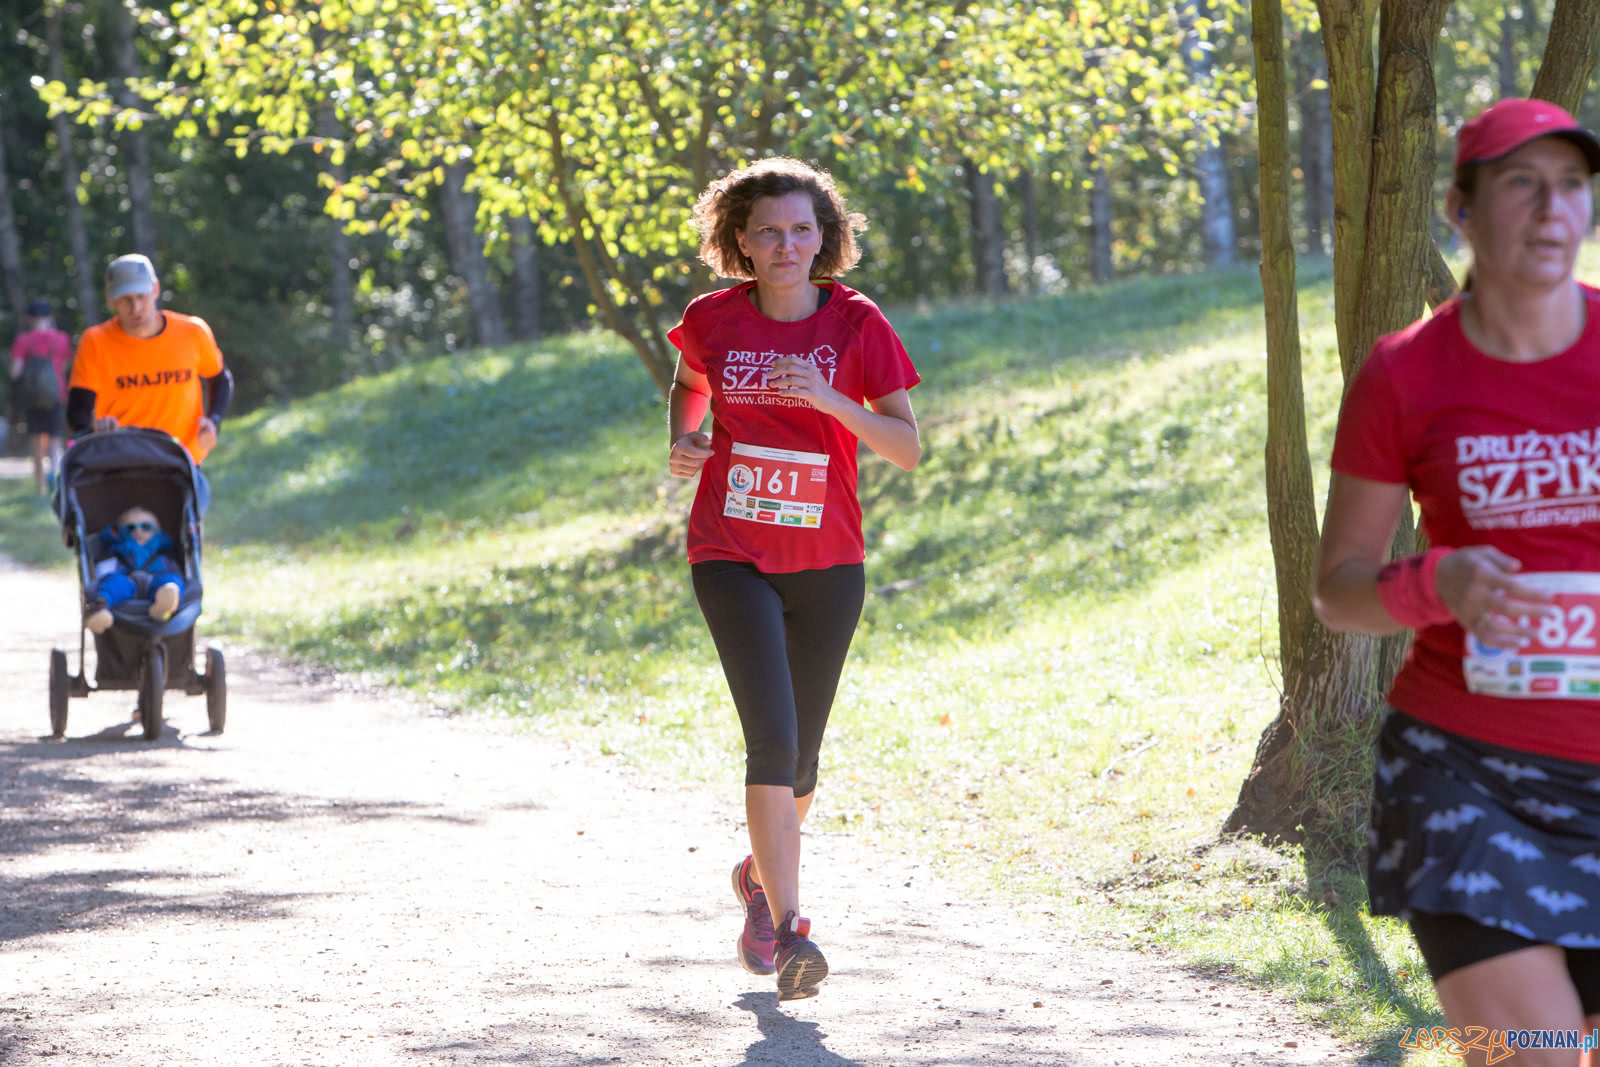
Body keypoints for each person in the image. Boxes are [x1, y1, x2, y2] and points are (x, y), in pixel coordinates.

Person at [1316, 98, 1600, 1067]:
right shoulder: (1403, 374)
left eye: (1570, 185)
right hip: (1463, 777)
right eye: (1520, 183)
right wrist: (1435, 581)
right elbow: (1337, 587)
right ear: (1460, 209)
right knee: (1538, 1051)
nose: (1550, 210)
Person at [666, 157, 921, 1003]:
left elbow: (905, 444)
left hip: (829, 563)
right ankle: (791, 931)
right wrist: (687, 437)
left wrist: (828, 399)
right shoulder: (711, 318)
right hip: (729, 553)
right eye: (769, 231)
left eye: (803, 230)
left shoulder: (855, 323)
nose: (786, 245)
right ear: (739, 238)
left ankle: (757, 879)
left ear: (826, 237)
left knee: (803, 760)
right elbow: (689, 382)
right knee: (771, 741)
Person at [67, 254, 233, 513]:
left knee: (183, 539)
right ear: (111, 301)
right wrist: (94, 429)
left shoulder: (192, 332)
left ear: (155, 290)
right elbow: (77, 411)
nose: (135, 308)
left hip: (180, 463)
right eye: (125, 300)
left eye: (141, 296)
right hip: (120, 465)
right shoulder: (96, 342)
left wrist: (214, 420)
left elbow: (220, 378)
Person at [83, 505, 184, 634]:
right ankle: (100, 609)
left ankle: (164, 606)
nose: (138, 531)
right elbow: (101, 576)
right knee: (113, 582)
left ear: (157, 532)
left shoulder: (164, 555)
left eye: (146, 527)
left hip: (155, 583)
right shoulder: (114, 553)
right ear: (119, 532)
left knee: (172, 580)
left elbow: (176, 572)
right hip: (126, 586)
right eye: (130, 528)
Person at [9, 297, 72, 493]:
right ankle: (54, 474)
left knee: (37, 440)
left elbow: (15, 372)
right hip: (56, 394)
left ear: (29, 318)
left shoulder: (23, 340)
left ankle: (41, 485)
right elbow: (64, 366)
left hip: (32, 397)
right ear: (49, 317)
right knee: (54, 439)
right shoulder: (61, 338)